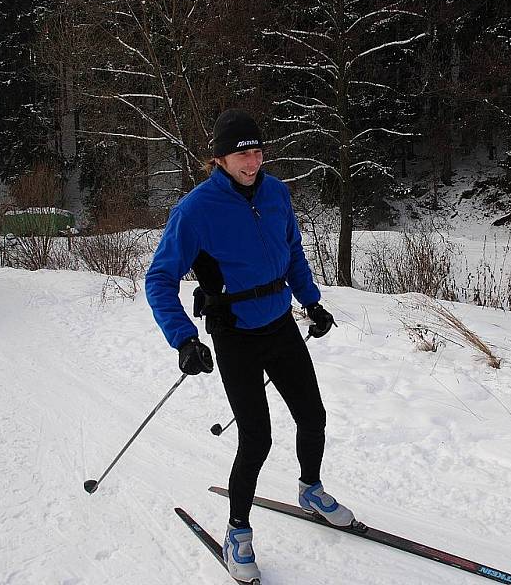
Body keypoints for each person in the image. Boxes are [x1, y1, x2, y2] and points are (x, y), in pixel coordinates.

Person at [145, 108, 355, 583]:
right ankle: (238, 531)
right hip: (235, 334)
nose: (252, 160)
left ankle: (311, 489)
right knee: (257, 437)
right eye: (242, 152)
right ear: (219, 158)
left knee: (313, 416)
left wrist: (313, 303)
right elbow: (159, 279)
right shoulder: (195, 210)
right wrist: (183, 338)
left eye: (257, 150)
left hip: (280, 322)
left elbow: (293, 251)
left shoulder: (277, 192)